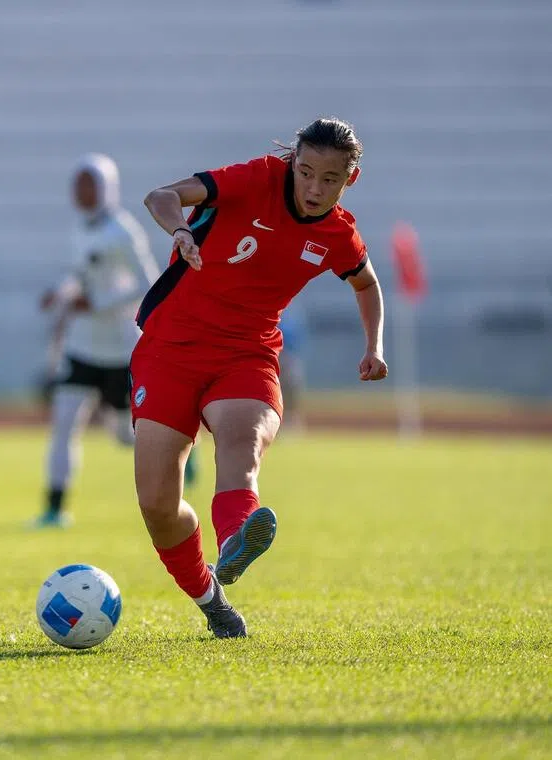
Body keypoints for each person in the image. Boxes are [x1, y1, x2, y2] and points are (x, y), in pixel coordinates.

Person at [132, 118, 387, 638]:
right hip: (170, 349)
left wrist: (374, 346)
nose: (315, 188)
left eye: (330, 179)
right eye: (306, 172)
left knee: (241, 437)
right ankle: (211, 598)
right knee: (157, 505)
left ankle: (234, 540)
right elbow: (160, 196)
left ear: (349, 180)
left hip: (247, 354)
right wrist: (180, 229)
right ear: (292, 163)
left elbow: (366, 283)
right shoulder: (255, 180)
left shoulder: (338, 233)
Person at [34, 154, 159, 527]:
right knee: (63, 425)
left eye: (90, 184)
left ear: (107, 187)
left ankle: (183, 456)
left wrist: (98, 303)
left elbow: (147, 283)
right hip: (81, 347)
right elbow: (79, 276)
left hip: (120, 351)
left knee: (125, 436)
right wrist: (59, 294)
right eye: (79, 184)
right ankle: (55, 510)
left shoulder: (123, 231)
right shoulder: (80, 229)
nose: (82, 192)